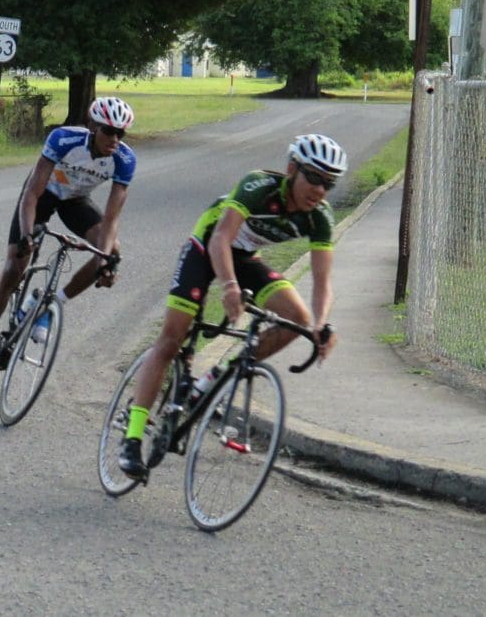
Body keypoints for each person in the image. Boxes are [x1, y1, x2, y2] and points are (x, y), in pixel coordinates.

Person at [118, 133, 347, 477]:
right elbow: (222, 237)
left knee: (296, 318)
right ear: (292, 169)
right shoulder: (259, 185)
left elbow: (322, 281)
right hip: (207, 246)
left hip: (245, 257)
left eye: (328, 183)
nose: (319, 190)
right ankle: (133, 437)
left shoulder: (320, 217)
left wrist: (320, 324)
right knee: (172, 337)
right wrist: (228, 286)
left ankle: (219, 374)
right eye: (313, 177)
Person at [0, 96, 136, 388]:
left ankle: (48, 308)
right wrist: (27, 235)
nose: (115, 139)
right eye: (109, 131)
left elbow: (112, 220)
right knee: (14, 268)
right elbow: (31, 193)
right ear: (92, 126)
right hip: (43, 195)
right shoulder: (64, 139)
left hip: (75, 201)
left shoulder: (125, 159)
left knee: (111, 249)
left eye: (121, 133)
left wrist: (104, 260)